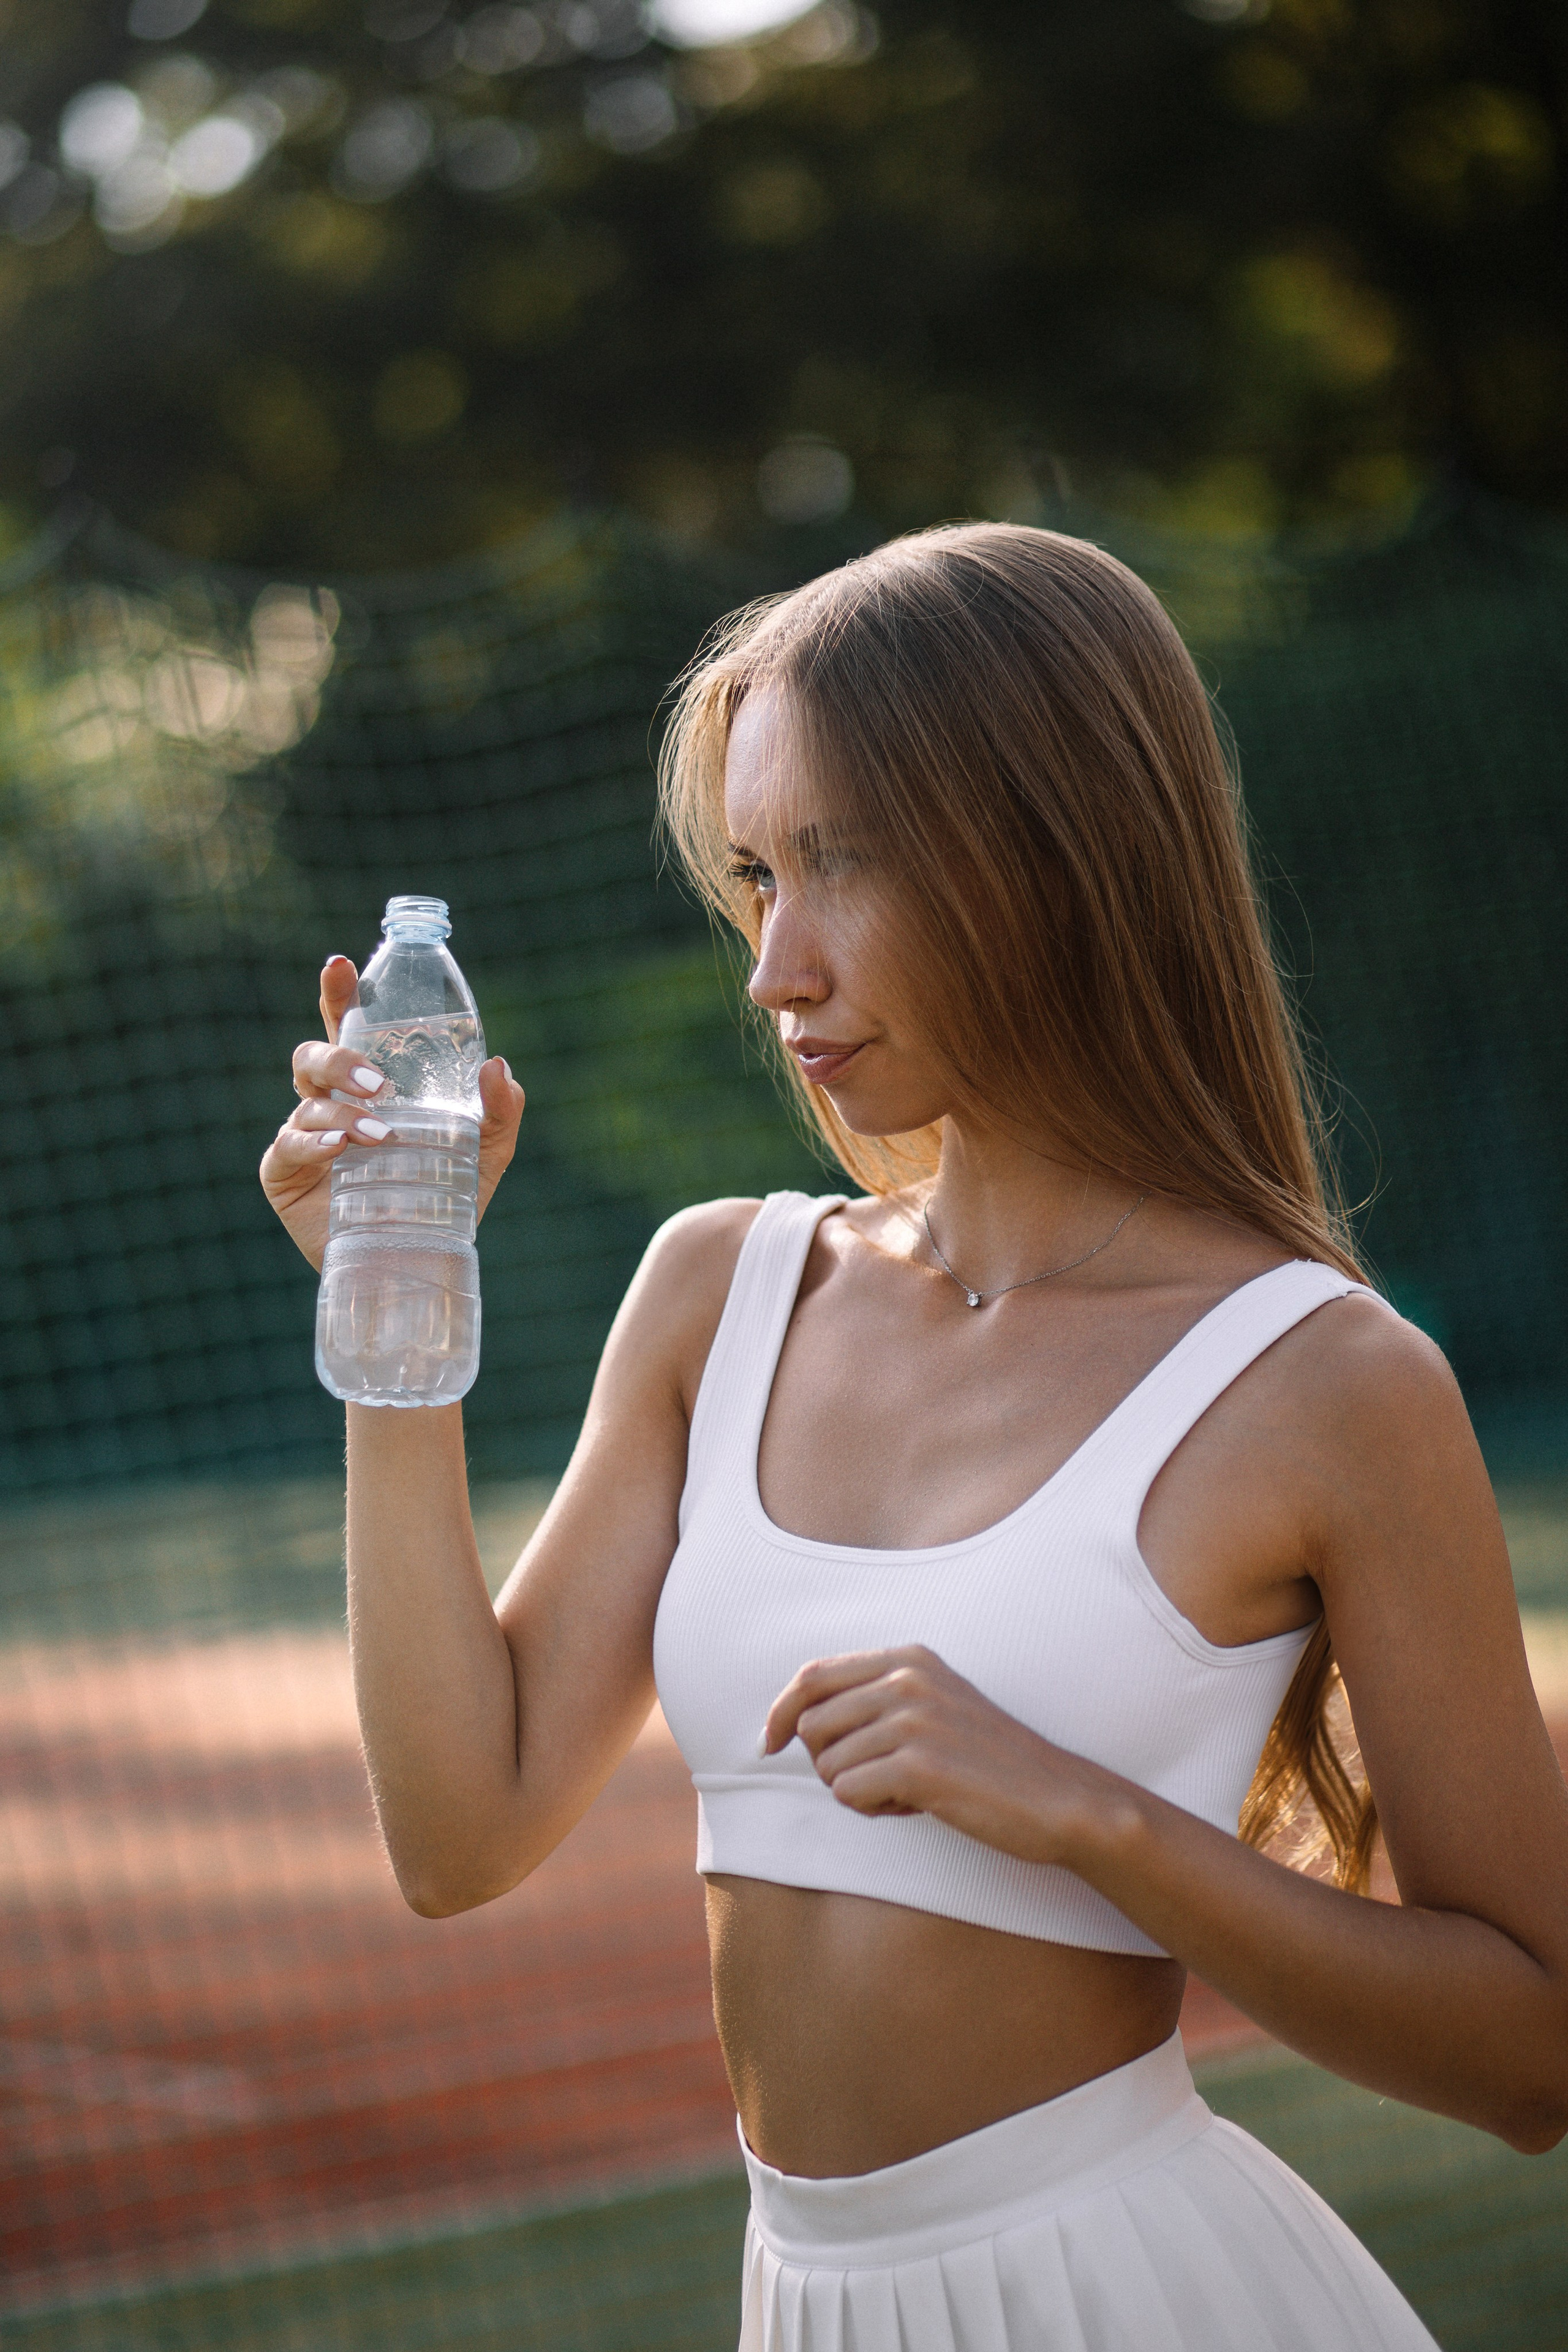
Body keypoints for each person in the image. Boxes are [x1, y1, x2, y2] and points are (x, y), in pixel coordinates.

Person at [260, 525, 1568, 2350]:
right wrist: (397, 1301)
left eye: (847, 860)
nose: (773, 968)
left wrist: (1088, 1816)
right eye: (757, 874)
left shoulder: (1327, 1382)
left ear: (1056, 851)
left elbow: (1531, 2056)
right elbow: (457, 1835)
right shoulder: (720, 1288)